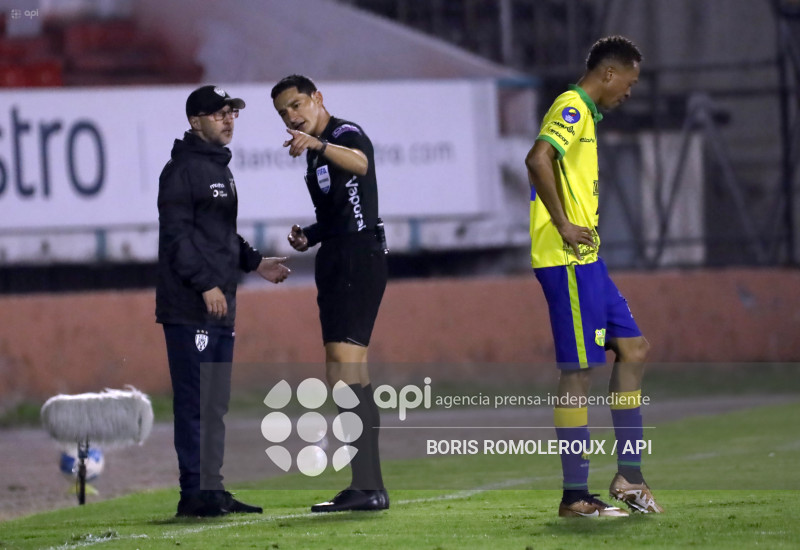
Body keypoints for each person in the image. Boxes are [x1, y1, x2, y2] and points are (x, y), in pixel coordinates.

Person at [525, 36, 664, 517]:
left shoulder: (587, 114)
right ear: (609, 73)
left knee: (633, 348)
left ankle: (630, 476)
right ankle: (574, 495)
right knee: (578, 372)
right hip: (565, 259)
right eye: (631, 80)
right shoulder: (571, 107)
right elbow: (537, 158)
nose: (631, 90)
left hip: (589, 260)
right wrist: (563, 224)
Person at [156, 84, 291, 517]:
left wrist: (255, 263)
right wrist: (205, 285)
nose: (229, 119)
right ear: (195, 121)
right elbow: (177, 239)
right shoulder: (180, 171)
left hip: (220, 304)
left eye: (232, 112)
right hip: (191, 305)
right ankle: (193, 494)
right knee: (195, 400)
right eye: (219, 114)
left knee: (215, 402)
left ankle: (211, 490)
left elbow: (218, 236)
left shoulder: (220, 168)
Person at [271, 74, 389, 513]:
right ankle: (367, 486)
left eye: (297, 105)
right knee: (347, 375)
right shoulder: (315, 154)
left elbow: (360, 164)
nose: (292, 116)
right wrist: (311, 235)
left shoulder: (342, 134)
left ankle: (367, 486)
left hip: (359, 259)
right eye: (284, 113)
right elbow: (342, 210)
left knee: (343, 372)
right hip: (339, 257)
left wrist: (318, 145)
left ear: (318, 99)